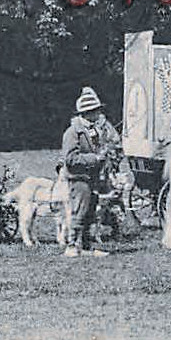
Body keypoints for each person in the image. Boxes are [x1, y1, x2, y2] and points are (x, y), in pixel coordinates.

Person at [60, 87, 111, 257]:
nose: (98, 114)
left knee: (90, 212)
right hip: (78, 178)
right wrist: (95, 158)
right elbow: (70, 159)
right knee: (79, 212)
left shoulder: (93, 130)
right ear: (88, 113)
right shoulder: (73, 132)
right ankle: (72, 246)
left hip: (92, 179)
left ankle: (87, 247)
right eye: (96, 111)